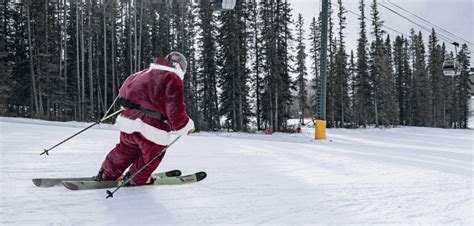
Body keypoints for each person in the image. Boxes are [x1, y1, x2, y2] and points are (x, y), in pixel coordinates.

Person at [96, 52, 195, 186]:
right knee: (152, 156)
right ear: (182, 68)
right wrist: (185, 126)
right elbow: (174, 109)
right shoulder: (172, 78)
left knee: (124, 150)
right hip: (153, 128)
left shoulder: (141, 73)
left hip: (129, 123)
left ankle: (107, 174)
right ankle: (136, 179)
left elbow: (123, 94)